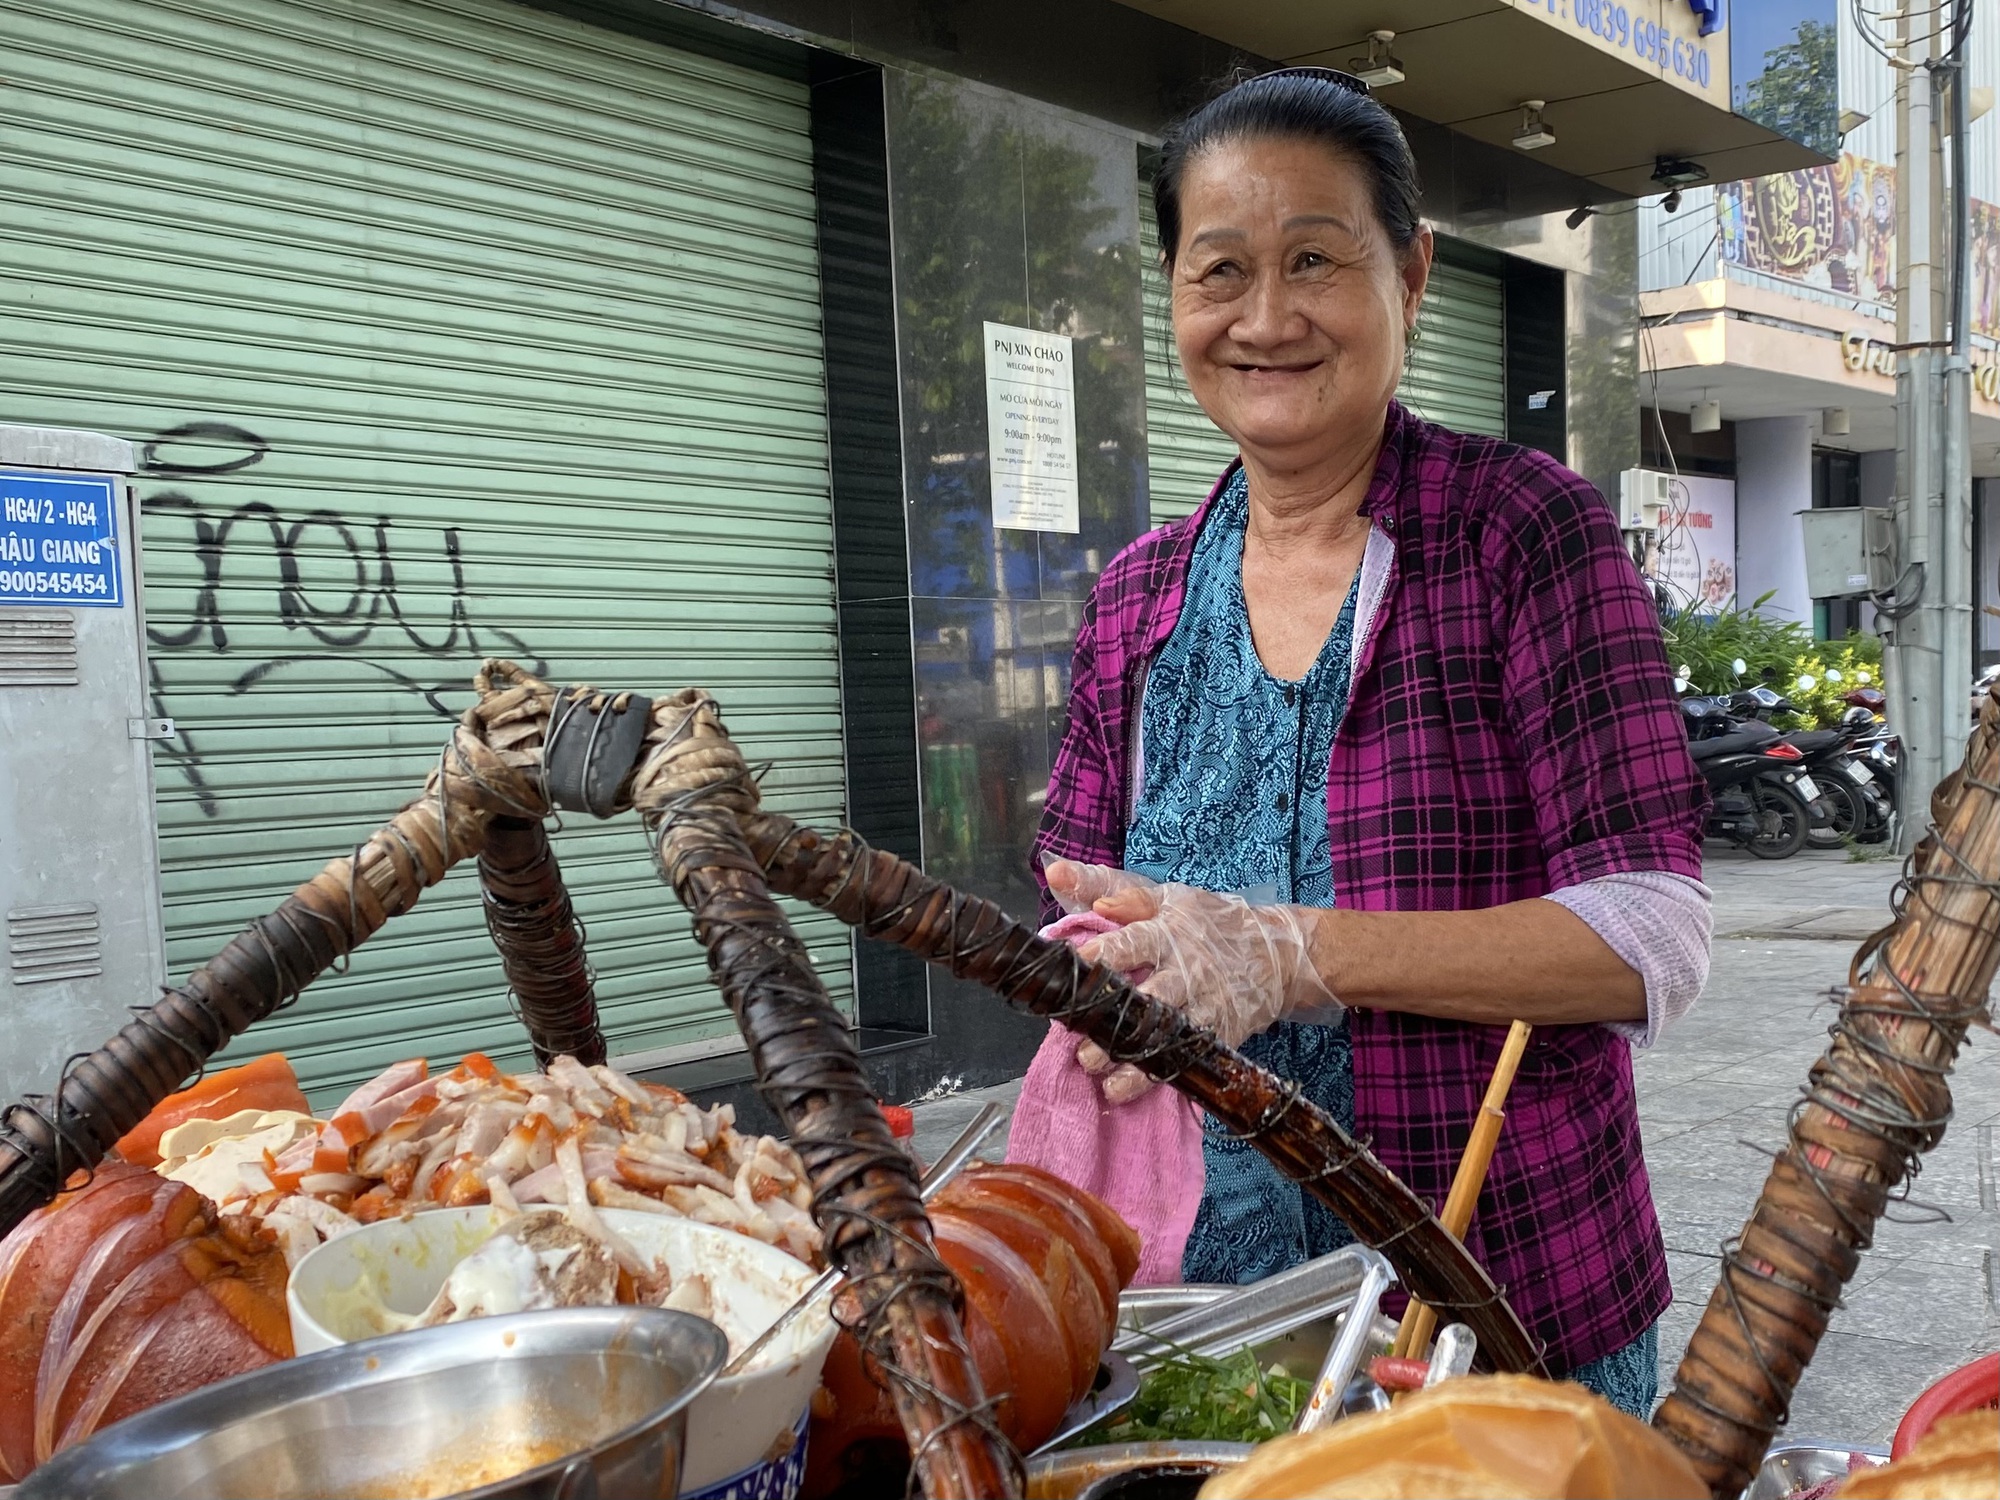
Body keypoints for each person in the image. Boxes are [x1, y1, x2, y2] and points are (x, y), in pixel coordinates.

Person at [1034, 67, 1710, 1417]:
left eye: (1315, 262)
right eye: (1220, 269)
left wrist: (1291, 956)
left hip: (1498, 1312)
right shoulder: (1135, 598)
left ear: (1408, 273)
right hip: (1207, 1327)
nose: (1267, 318)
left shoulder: (1524, 536)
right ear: (1171, 291)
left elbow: (1654, 937)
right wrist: (1106, 987)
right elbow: (1085, 912)